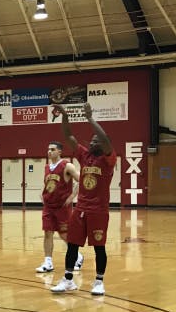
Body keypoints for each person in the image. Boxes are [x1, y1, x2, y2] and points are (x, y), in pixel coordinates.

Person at [50, 102, 117, 296]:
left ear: (103, 144)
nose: (92, 143)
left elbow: (104, 139)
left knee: (99, 248)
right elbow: (69, 137)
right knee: (72, 245)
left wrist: (90, 118)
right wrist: (65, 116)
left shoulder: (108, 159)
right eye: (92, 140)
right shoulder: (85, 155)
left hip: (98, 211)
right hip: (80, 209)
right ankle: (68, 280)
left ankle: (99, 282)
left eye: (96, 141)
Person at [35, 141, 83, 273]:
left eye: (52, 149)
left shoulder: (67, 165)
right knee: (47, 233)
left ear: (59, 151)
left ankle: (78, 256)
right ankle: (48, 262)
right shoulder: (47, 167)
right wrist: (42, 193)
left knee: (64, 235)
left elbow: (81, 180)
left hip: (62, 207)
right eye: (48, 149)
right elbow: (47, 183)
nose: (49, 152)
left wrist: (72, 196)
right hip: (48, 207)